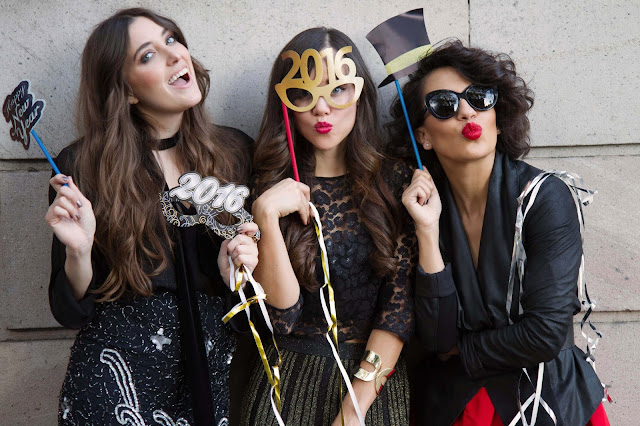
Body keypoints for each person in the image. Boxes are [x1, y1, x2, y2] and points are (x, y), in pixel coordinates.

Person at [45, 8, 258, 425]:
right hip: (113, 387)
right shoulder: (83, 166)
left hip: (207, 381)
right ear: (125, 91)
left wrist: (238, 274)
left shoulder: (234, 154)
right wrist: (79, 252)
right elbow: (70, 312)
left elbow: (260, 306)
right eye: (148, 55)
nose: (175, 54)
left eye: (172, 39)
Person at [391, 40, 609, 425]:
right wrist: (426, 230)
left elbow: (545, 334)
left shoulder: (545, 197)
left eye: (479, 97)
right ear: (424, 136)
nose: (467, 111)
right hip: (458, 407)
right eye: (444, 104)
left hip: (548, 404)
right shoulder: (420, 207)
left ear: (497, 114)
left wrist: (462, 350)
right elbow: (437, 339)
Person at [240, 27, 415, 426]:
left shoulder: (396, 183)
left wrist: (352, 414)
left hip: (372, 390)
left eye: (337, 90)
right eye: (303, 93)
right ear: (285, 104)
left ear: (360, 94)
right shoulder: (262, 185)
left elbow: (398, 313)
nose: (322, 109)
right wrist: (265, 214)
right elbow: (281, 318)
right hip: (282, 389)